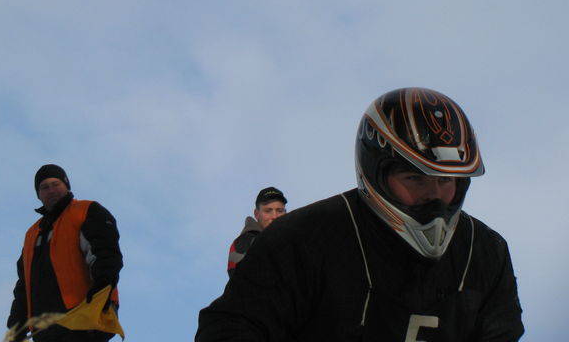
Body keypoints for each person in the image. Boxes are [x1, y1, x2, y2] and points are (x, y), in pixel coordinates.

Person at [197, 87, 524, 341]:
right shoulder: (302, 239)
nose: (434, 196)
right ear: (376, 172)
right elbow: (232, 327)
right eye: (415, 178)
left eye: (445, 180)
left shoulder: (486, 253)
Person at [7, 164, 123, 341]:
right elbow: (25, 284)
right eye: (44, 187)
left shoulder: (86, 211)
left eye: (56, 184)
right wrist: (17, 324)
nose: (51, 190)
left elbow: (106, 254)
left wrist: (101, 291)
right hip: (45, 328)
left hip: (84, 314)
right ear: (38, 195)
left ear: (66, 185)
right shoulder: (32, 234)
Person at [227, 186, 287, 277]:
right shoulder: (243, 243)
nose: (274, 216)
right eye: (268, 211)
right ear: (257, 214)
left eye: (279, 210)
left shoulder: (294, 241)